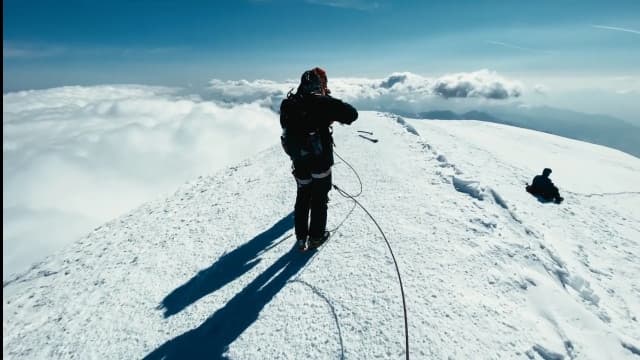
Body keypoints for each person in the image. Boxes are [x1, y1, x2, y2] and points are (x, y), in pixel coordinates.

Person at [279, 67, 358, 251]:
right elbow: (351, 114)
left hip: (298, 159)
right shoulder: (321, 102)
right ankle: (316, 237)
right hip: (319, 159)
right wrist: (328, 101)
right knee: (319, 198)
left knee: (303, 194)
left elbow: (285, 125)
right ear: (320, 84)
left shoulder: (289, 103)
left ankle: (301, 238)